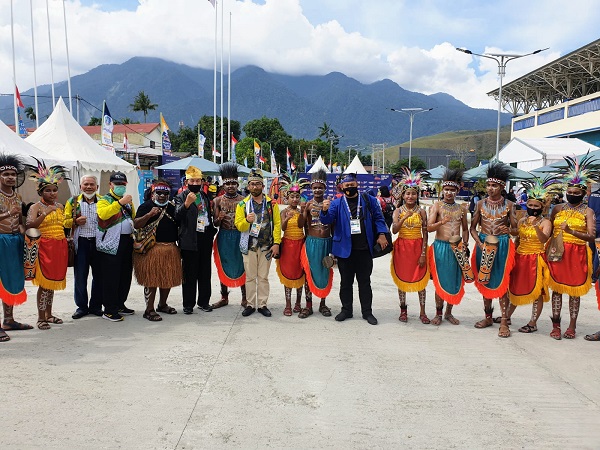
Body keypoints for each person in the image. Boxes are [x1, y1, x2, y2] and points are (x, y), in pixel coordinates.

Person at [320, 173, 389, 325]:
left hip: (364, 249)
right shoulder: (336, 203)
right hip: (344, 250)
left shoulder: (368, 200)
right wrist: (324, 210)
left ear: (357, 184)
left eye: (352, 184)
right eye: (347, 185)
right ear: (341, 187)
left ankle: (367, 312)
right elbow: (327, 220)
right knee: (345, 282)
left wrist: (382, 234)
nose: (350, 187)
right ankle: (346, 310)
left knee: (365, 282)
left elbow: (378, 218)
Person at [546, 154, 597, 340]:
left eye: (577, 193)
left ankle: (572, 327)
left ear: (584, 193)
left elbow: (591, 236)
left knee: (575, 292)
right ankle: (556, 326)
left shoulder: (588, 211)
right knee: (557, 290)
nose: (572, 195)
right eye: (570, 192)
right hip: (557, 253)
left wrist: (571, 231)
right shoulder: (557, 209)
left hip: (578, 253)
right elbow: (550, 230)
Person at [470, 162, 517, 337]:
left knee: (502, 282)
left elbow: (516, 229)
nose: (490, 188)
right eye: (489, 185)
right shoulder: (480, 204)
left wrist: (510, 230)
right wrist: (479, 243)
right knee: (485, 279)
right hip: (483, 244)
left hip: (503, 245)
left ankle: (504, 321)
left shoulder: (510, 205)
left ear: (502, 186)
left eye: (494, 185)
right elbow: (472, 228)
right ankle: (488, 317)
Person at [25, 158, 70, 330]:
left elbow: (64, 225)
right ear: (41, 192)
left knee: (52, 284)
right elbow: (29, 225)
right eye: (48, 190)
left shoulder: (60, 206)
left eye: (54, 190)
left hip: (59, 246)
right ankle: (40, 317)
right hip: (44, 247)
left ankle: (49, 315)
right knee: (44, 284)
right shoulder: (35, 207)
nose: (52, 193)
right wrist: (45, 213)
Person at [508, 178, 557, 333]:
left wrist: (537, 227)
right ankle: (507, 315)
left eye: (536, 206)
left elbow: (544, 239)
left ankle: (533, 322)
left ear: (542, 207)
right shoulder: (522, 219)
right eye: (530, 205)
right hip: (520, 257)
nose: (533, 208)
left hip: (536, 258)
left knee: (538, 292)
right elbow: (518, 237)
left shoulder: (546, 222)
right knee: (514, 287)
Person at [234, 169, 281, 317]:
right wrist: (247, 221)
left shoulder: (271, 204)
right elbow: (238, 225)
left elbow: (277, 224)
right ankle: (250, 304)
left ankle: (262, 304)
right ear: (248, 186)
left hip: (267, 246)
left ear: (262, 185)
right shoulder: (242, 205)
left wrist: (277, 243)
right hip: (249, 247)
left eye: (258, 184)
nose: (255, 187)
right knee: (250, 277)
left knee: (263, 277)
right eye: (252, 184)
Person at [132, 179, 181, 321]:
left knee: (167, 279)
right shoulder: (145, 206)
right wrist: (149, 215)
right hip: (151, 249)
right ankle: (149, 309)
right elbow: (136, 224)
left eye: (165, 193)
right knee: (151, 280)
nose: (162, 196)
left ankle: (162, 304)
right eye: (158, 192)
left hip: (170, 248)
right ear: (153, 193)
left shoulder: (172, 208)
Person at [427, 169, 469, 325]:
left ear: (457, 191)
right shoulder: (437, 206)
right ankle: (438, 313)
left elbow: (465, 229)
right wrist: (441, 223)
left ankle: (448, 313)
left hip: (456, 248)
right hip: (440, 247)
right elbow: (429, 227)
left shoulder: (461, 209)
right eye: (446, 189)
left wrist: (465, 244)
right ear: (442, 190)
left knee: (454, 280)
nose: (449, 193)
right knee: (440, 280)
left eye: (452, 190)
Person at [175, 166, 217, 315]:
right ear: (187, 182)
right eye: (192, 180)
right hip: (189, 238)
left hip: (204, 236)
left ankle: (204, 301)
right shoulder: (181, 196)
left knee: (205, 272)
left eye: (198, 180)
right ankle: (188, 304)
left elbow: (208, 214)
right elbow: (177, 216)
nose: (195, 183)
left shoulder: (204, 196)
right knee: (189, 273)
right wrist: (186, 204)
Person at [390, 168, 430, 323]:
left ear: (417, 195)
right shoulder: (398, 210)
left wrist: (423, 253)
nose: (411, 196)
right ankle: (403, 310)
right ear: (403, 195)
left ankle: (422, 312)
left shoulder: (422, 212)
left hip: (417, 247)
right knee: (402, 279)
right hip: (402, 248)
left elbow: (425, 233)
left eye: (413, 193)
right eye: (408, 193)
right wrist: (404, 217)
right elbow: (394, 230)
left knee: (421, 280)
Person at [97, 171, 136, 322]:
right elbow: (103, 214)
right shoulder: (104, 200)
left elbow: (133, 217)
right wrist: (119, 203)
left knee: (125, 275)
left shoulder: (129, 201)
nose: (120, 187)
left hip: (127, 240)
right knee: (111, 277)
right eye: (117, 184)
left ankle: (120, 303)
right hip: (111, 243)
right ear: (110, 185)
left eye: (123, 184)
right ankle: (109, 309)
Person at [0, 154, 31, 342]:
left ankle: (9, 320)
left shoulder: (18, 196)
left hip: (14, 242)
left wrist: (25, 231)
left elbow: (19, 221)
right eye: (5, 174)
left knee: (10, 281)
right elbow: (9, 216)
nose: (10, 177)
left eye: (13, 174)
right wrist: (7, 214)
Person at [64, 175, 103, 319]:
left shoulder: (103, 201)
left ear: (97, 187)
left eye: (92, 184)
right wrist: (75, 221)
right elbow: (64, 221)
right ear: (81, 187)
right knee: (80, 276)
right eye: (86, 184)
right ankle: (81, 307)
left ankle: (96, 306)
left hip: (99, 243)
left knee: (99, 276)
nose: (89, 187)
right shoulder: (73, 202)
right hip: (81, 243)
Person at [212, 162, 246, 309]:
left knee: (243, 265)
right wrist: (219, 218)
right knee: (223, 265)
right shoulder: (217, 201)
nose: (231, 186)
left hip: (240, 236)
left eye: (233, 183)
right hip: (224, 237)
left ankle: (245, 298)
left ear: (237, 184)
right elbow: (214, 223)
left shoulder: (244, 200)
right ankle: (224, 296)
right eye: (227, 183)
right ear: (222, 185)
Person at [276, 174, 311, 317]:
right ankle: (288, 304)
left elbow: (301, 225)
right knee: (288, 273)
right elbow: (283, 228)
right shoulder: (283, 211)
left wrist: (302, 213)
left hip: (300, 244)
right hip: (288, 245)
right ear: (287, 198)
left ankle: (298, 303)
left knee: (300, 273)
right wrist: (287, 218)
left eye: (297, 196)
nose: (295, 199)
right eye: (292, 197)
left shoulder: (301, 211)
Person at [300, 169, 333, 318]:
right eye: (315, 187)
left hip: (326, 243)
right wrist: (303, 212)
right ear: (311, 189)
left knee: (325, 273)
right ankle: (308, 305)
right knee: (310, 274)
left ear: (325, 188)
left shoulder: (330, 205)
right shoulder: (307, 205)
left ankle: (322, 303)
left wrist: (334, 249)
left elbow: (334, 226)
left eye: (320, 187)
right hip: (311, 243)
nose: (318, 190)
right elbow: (301, 224)